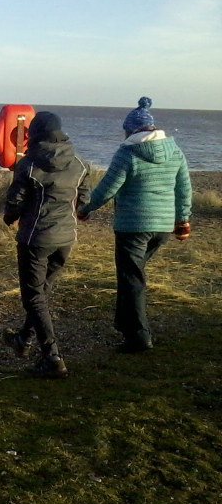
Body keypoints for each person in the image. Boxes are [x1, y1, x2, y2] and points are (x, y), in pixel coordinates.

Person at [77, 97, 192, 353]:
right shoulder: (175, 151)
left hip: (133, 226)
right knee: (134, 275)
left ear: (131, 131)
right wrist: (182, 220)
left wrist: (85, 209)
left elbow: (108, 188)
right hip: (162, 227)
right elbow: (184, 188)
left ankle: (138, 336)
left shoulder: (127, 153)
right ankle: (124, 323)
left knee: (132, 278)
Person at [2, 111, 90, 378]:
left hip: (35, 239)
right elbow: (84, 201)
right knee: (41, 293)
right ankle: (23, 338)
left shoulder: (29, 165)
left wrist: (10, 216)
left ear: (35, 133)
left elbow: (15, 201)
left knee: (34, 296)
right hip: (66, 238)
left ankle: (52, 357)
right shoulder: (79, 164)